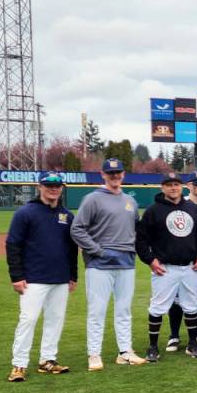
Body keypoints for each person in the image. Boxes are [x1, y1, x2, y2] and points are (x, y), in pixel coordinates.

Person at [70, 158, 147, 370]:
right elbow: (77, 229)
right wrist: (97, 251)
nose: (115, 176)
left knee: (124, 309)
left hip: (126, 262)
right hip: (99, 264)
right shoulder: (92, 199)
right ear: (103, 175)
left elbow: (137, 231)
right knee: (97, 310)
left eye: (118, 173)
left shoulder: (130, 201)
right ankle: (94, 354)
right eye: (110, 173)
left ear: (123, 174)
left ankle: (125, 352)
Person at [6, 172, 78, 382]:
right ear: (40, 187)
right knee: (28, 320)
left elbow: (72, 248)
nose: (53, 189)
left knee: (55, 320)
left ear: (61, 188)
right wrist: (16, 276)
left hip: (60, 277)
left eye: (57, 186)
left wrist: (72, 275)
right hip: (33, 278)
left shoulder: (67, 215)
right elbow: (13, 245)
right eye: (49, 185)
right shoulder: (25, 213)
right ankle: (19, 364)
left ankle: (48, 360)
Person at [135, 172, 197, 362]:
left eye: (176, 184)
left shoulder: (192, 208)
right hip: (165, 268)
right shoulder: (153, 211)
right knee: (158, 307)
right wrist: (150, 260)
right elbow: (141, 240)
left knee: (191, 305)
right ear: (163, 188)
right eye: (169, 185)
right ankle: (153, 347)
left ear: (181, 187)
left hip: (190, 267)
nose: (173, 188)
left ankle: (193, 343)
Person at [165, 171, 197, 353]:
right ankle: (174, 336)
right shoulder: (181, 205)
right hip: (182, 257)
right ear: (188, 185)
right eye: (195, 183)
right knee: (177, 295)